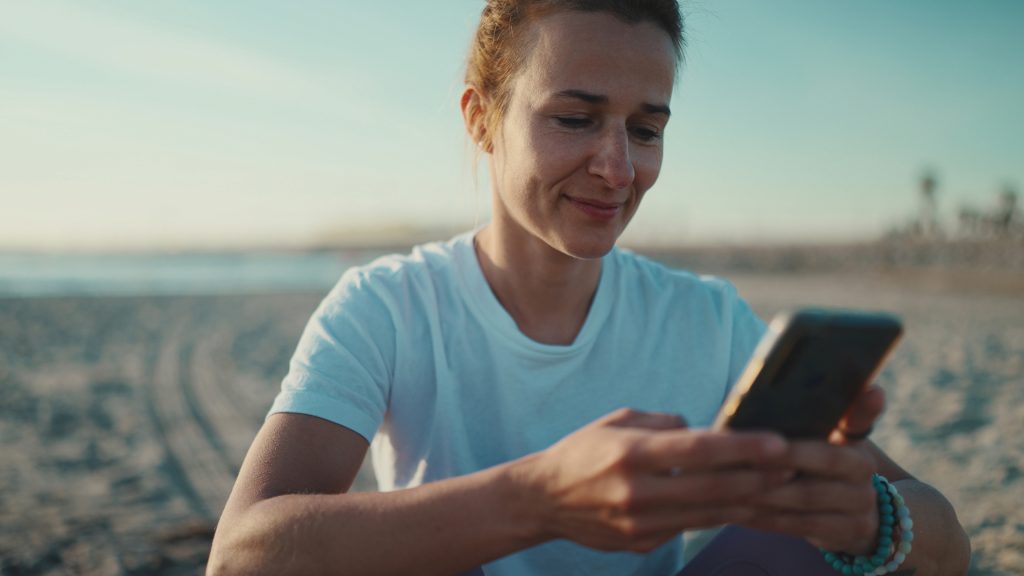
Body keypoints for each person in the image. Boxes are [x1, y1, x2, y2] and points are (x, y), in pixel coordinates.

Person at [208, 1, 970, 574]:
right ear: (481, 119)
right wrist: (539, 498)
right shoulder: (389, 310)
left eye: (646, 130)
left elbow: (948, 540)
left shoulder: (705, 319)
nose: (618, 167)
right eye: (575, 118)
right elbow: (242, 555)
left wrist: (868, 521)